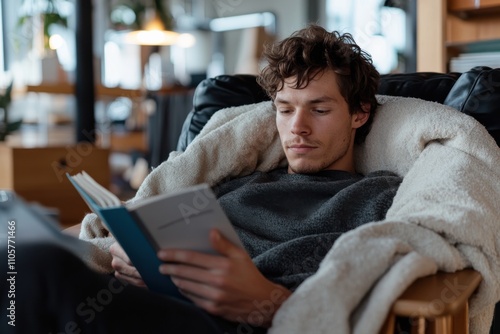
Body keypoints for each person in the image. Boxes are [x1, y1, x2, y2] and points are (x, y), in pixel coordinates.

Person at [1, 24, 402, 334]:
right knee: (16, 250)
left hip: (230, 324)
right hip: (160, 301)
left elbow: (364, 300)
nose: (296, 128)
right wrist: (141, 260)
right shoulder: (241, 182)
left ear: (359, 113)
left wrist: (269, 299)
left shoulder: (377, 196)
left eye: (319, 109)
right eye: (284, 109)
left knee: (35, 269)